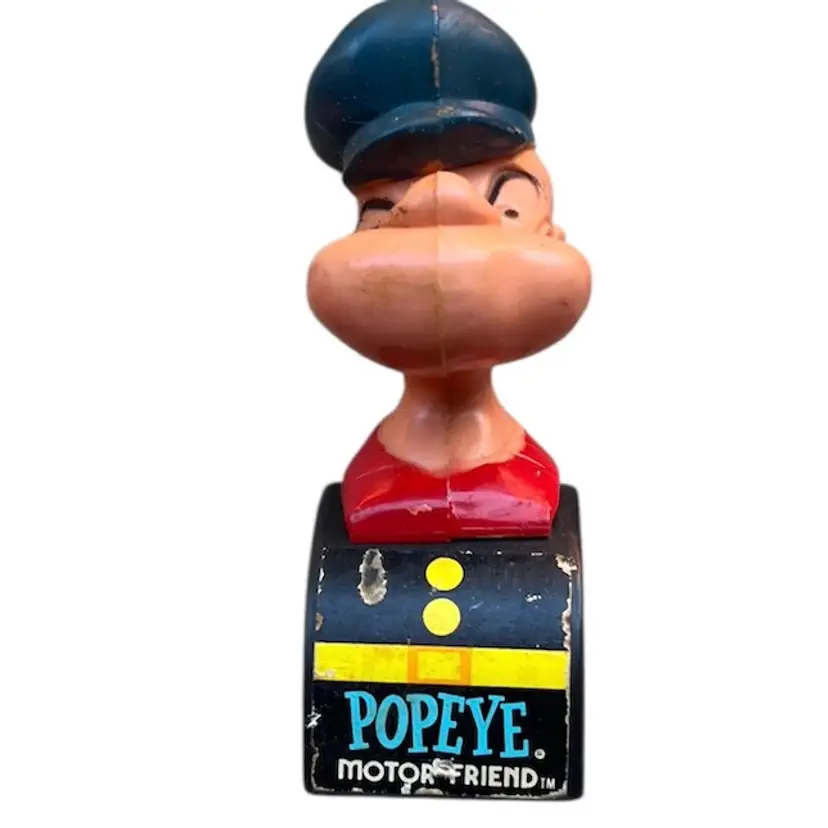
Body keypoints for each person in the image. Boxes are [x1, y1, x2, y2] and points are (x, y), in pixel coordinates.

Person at [305, 0, 591, 543]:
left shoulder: (531, 480)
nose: (442, 207)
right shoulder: (370, 487)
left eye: (507, 202)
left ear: (549, 231)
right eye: (384, 210)